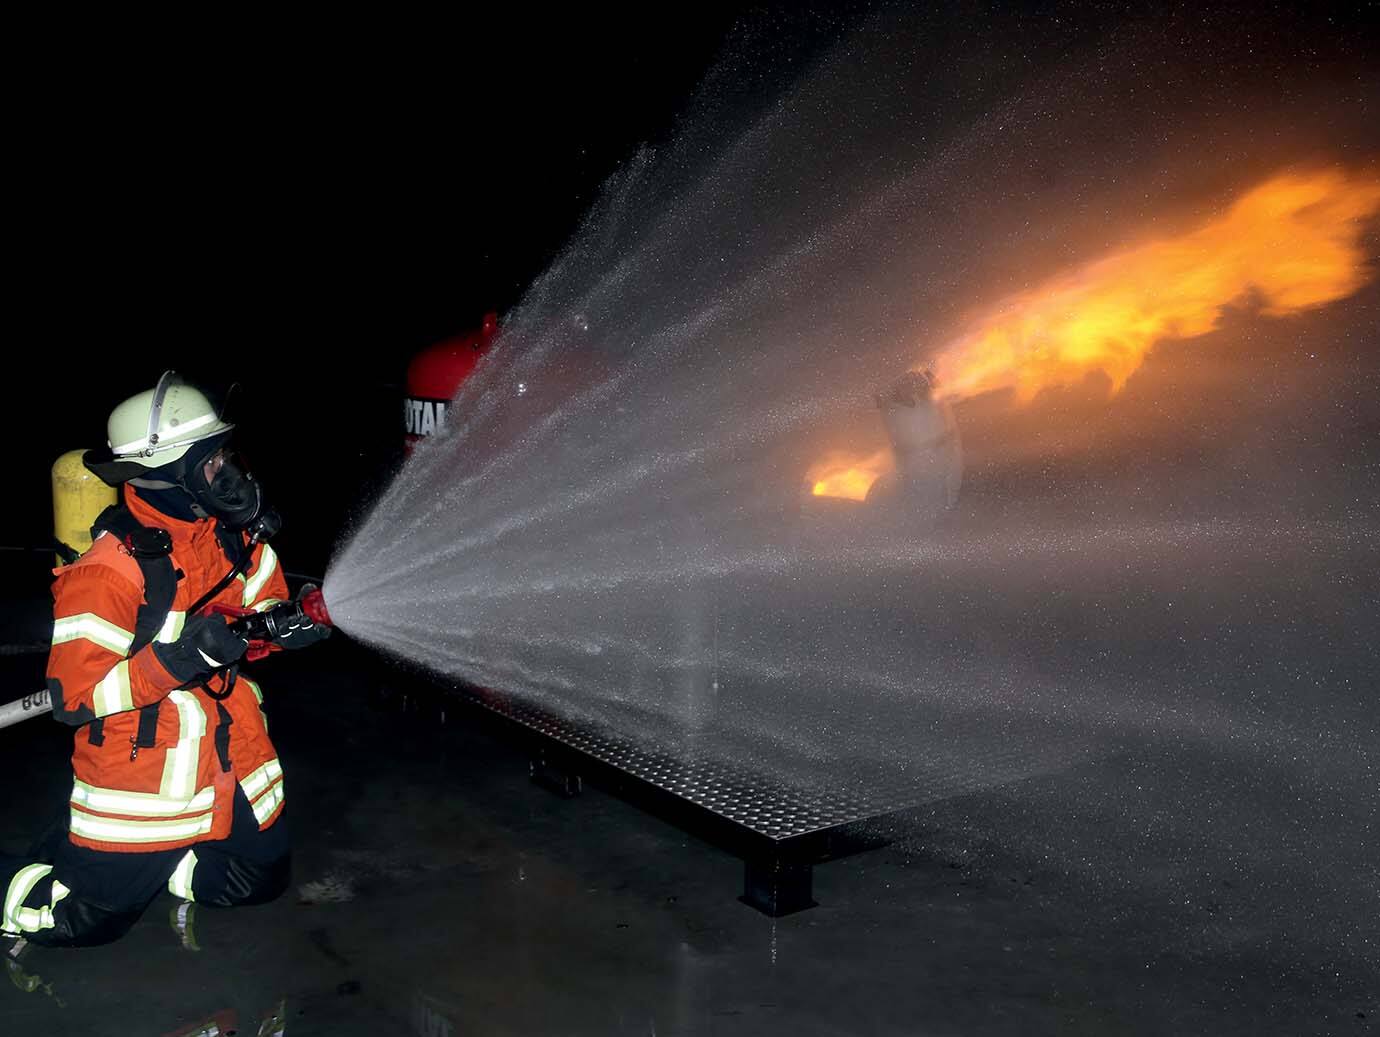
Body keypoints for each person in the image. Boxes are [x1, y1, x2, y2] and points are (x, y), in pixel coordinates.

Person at [1, 371, 329, 947]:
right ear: (166, 472)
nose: (229, 469)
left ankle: (158, 866)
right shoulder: (109, 569)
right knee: (83, 924)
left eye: (226, 453)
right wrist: (178, 660)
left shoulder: (229, 538)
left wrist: (285, 625)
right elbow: (75, 697)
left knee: (257, 880)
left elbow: (258, 611)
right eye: (211, 459)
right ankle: (49, 874)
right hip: (143, 771)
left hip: (231, 755)